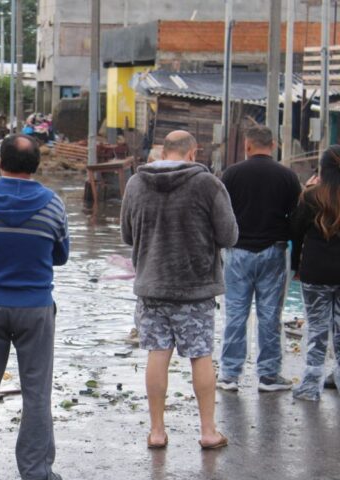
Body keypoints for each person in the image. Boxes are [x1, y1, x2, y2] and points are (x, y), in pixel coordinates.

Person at [0, 135, 69, 480]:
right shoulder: (53, 205)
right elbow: (61, 255)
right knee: (36, 392)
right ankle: (37, 476)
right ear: (36, 165)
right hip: (35, 308)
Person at [120, 130, 237, 450]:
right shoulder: (209, 184)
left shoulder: (135, 184)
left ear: (162, 151)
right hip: (195, 288)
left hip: (152, 284)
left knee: (157, 354)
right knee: (200, 356)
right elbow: (229, 236)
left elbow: (127, 236)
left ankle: (157, 432)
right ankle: (208, 432)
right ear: (192, 153)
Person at [218, 125, 302, 392]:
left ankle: (229, 375)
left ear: (248, 146)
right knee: (269, 315)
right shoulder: (288, 177)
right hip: (273, 252)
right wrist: (297, 260)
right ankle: (268, 375)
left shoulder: (231, 174)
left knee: (235, 313)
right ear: (273, 145)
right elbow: (297, 220)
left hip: (237, 252)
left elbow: (220, 215)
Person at [290, 145, 340, 400]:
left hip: (316, 271)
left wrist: (296, 267)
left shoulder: (311, 197)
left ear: (322, 169)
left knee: (318, 330)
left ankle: (311, 387)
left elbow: (296, 233)